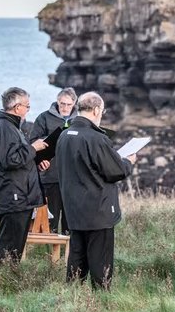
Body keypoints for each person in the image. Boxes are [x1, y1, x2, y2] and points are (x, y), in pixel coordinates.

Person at [58, 91, 137, 289]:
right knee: (100, 259)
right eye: (102, 111)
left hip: (73, 207)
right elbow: (115, 171)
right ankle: (101, 298)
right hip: (97, 208)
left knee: (77, 256)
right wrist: (128, 162)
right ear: (95, 111)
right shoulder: (96, 138)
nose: (101, 115)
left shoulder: (64, 135)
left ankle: (72, 295)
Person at [0, 87, 51, 263]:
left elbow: (17, 158)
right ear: (17, 108)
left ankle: (9, 283)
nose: (28, 110)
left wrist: (35, 164)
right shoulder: (5, 128)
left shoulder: (13, 127)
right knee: (8, 246)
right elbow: (10, 160)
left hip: (20, 195)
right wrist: (33, 148)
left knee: (16, 246)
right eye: (27, 106)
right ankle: (2, 282)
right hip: (12, 196)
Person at [29, 87, 77, 234]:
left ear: (74, 103)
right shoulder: (43, 118)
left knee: (71, 219)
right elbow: (32, 142)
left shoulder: (79, 120)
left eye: (69, 105)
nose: (65, 108)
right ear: (57, 101)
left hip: (73, 177)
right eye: (62, 104)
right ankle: (50, 250)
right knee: (52, 218)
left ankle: (70, 251)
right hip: (50, 175)